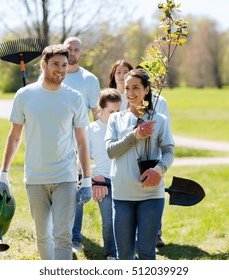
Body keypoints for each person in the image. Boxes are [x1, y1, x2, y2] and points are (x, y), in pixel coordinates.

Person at [0, 44, 92, 260]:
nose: (60, 69)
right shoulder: (24, 95)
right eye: (56, 64)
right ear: (43, 65)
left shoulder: (75, 98)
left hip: (65, 177)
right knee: (42, 235)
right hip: (35, 177)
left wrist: (87, 179)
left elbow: (82, 141)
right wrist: (3, 174)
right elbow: (14, 137)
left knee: (63, 236)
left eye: (64, 65)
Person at [105, 68, 175, 260]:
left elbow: (169, 151)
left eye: (136, 87)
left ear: (146, 90)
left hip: (151, 194)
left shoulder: (159, 120)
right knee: (125, 255)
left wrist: (158, 170)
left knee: (146, 253)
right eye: (127, 88)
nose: (130, 92)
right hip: (122, 194)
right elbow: (111, 151)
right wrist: (135, 135)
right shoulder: (115, 119)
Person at [61, 37, 101, 253]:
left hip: (78, 144)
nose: (73, 53)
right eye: (69, 49)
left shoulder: (89, 80)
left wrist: (94, 145)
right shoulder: (54, 74)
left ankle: (75, 238)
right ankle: (54, 233)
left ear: (81, 53)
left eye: (77, 50)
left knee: (77, 191)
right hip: (55, 142)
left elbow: (96, 114)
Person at [87, 88, 122, 260]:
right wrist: (92, 180)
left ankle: (127, 251)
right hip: (102, 181)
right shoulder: (92, 129)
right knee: (109, 221)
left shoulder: (124, 128)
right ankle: (111, 253)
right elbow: (84, 157)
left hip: (122, 180)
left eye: (118, 111)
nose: (115, 115)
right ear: (100, 109)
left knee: (124, 221)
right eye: (111, 112)